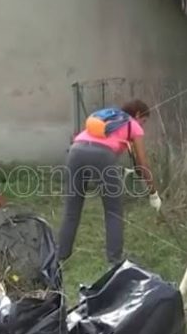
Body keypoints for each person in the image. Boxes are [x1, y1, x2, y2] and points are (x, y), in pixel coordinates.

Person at [57, 99, 161, 266]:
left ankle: (60, 256)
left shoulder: (104, 117)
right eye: (144, 121)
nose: (143, 125)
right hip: (102, 156)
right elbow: (142, 162)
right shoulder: (133, 125)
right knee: (113, 210)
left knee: (72, 209)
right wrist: (153, 193)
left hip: (76, 151)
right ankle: (115, 259)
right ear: (138, 114)